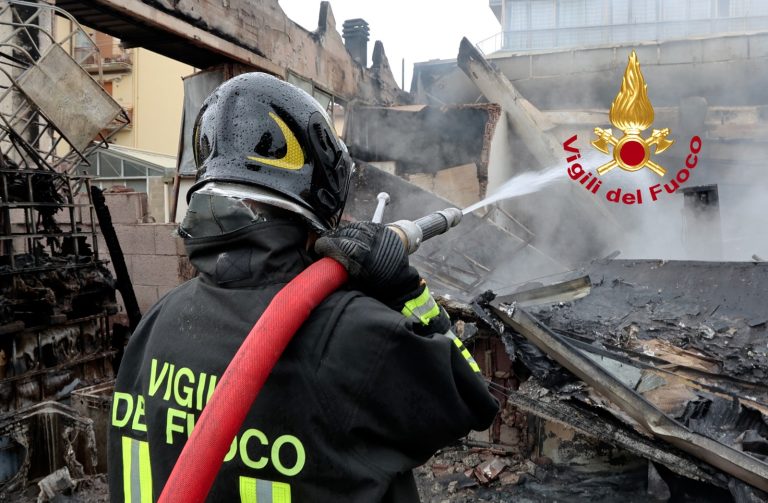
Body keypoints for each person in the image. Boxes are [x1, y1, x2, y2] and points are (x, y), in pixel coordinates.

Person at [108, 72, 498, 502]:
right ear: (323, 196)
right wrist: (405, 293)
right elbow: (473, 399)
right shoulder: (356, 334)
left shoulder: (160, 321)